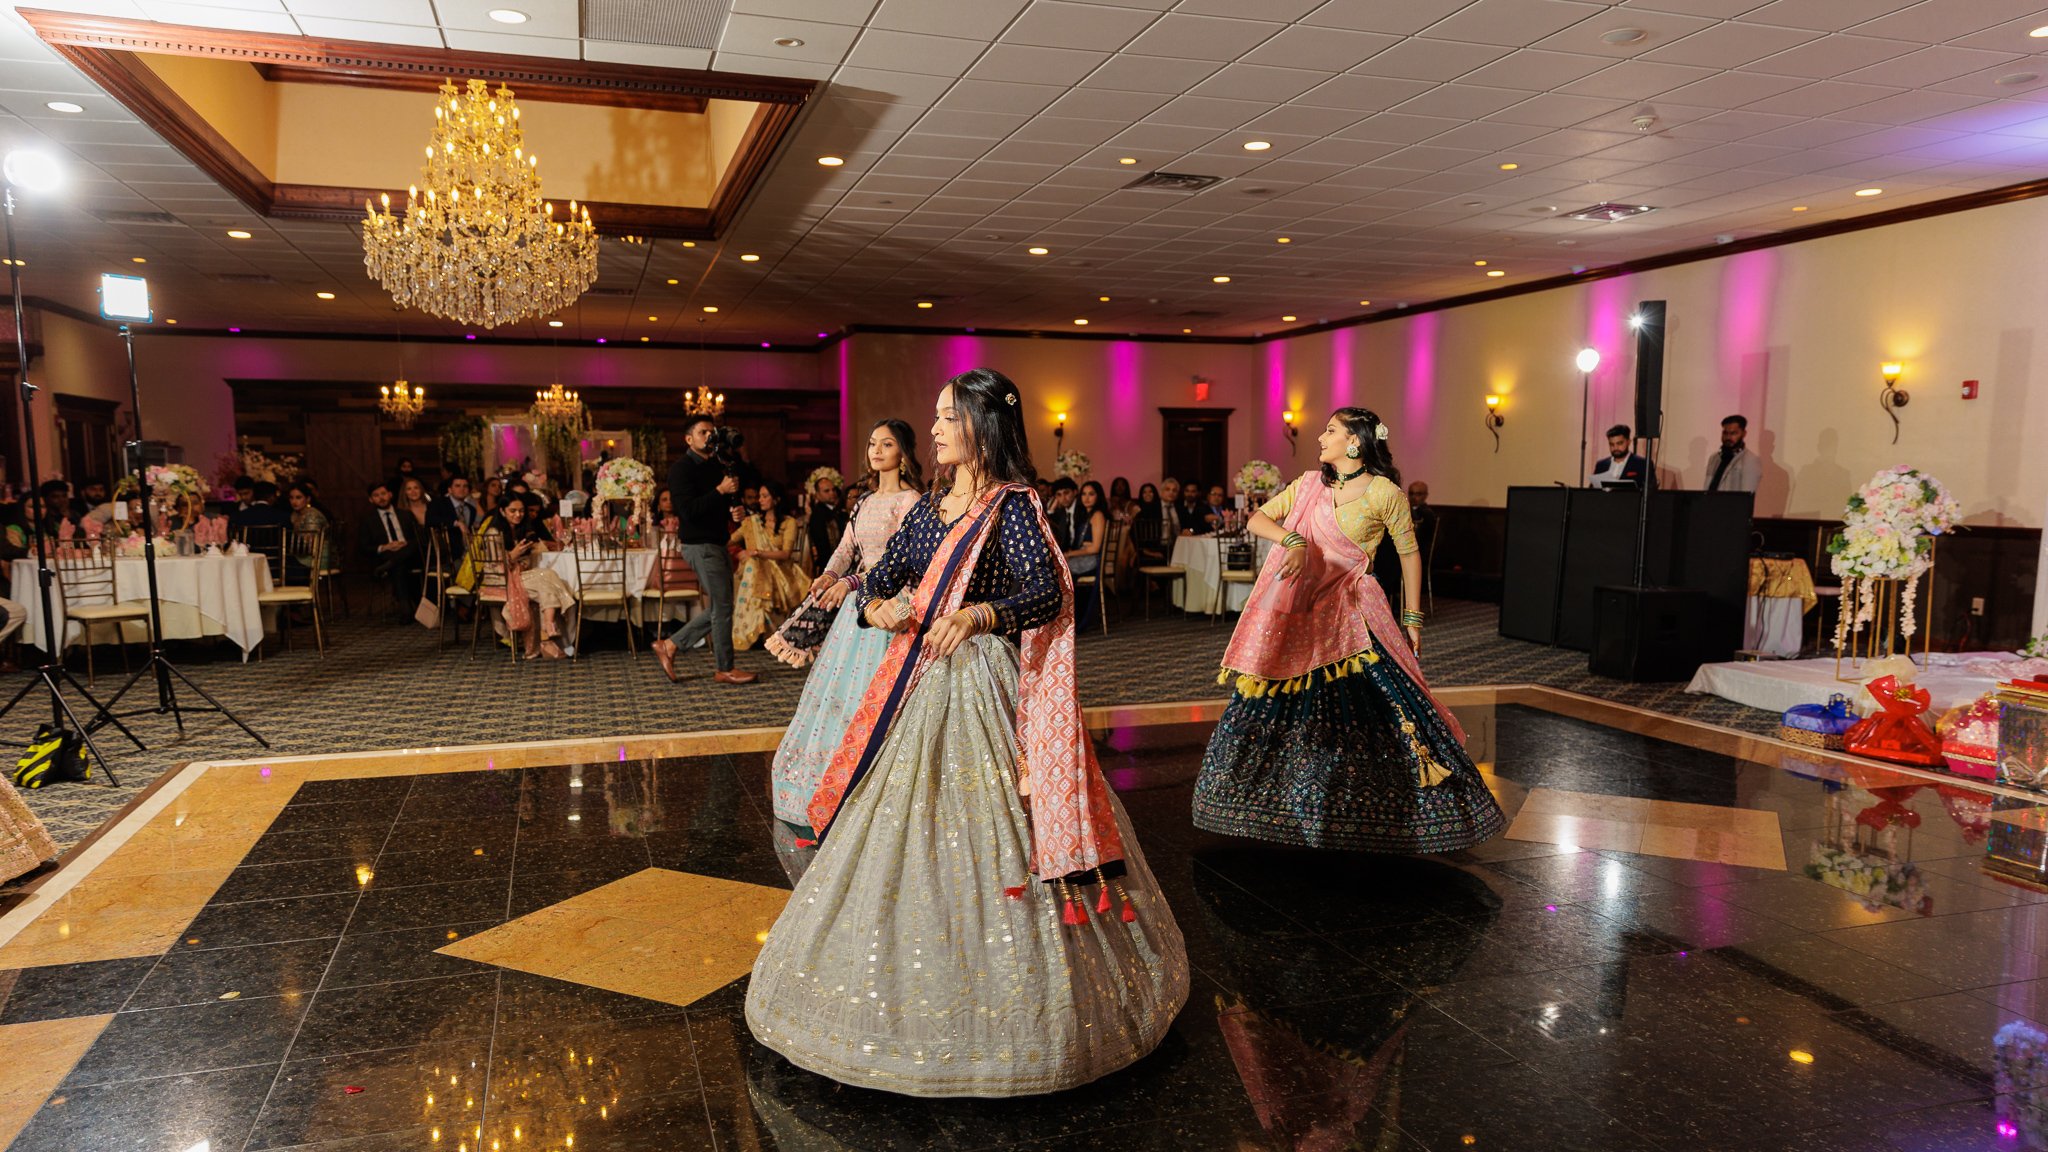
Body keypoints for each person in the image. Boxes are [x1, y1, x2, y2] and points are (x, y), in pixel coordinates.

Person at [745, 367, 1188, 1096]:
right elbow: (883, 574)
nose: (939, 428)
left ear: (985, 425)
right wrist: (877, 609)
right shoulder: (930, 509)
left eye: (951, 416)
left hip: (982, 681)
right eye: (939, 416)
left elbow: (1046, 589)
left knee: (995, 830)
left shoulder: (1008, 506)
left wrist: (980, 615)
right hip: (919, 683)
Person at [1192, 407, 1505, 853]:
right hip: (1303, 612)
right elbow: (1258, 518)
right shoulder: (1307, 485)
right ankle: (1274, 809)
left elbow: (1410, 555)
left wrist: (1412, 619)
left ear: (1355, 442)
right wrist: (1293, 540)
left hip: (1354, 611)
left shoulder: (1385, 493)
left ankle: (1381, 813)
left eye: (1330, 430)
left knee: (1375, 705)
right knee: (1281, 704)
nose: (1321, 437)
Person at [764, 419, 924, 831]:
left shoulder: (910, 502)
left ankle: (874, 779)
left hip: (891, 606)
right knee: (839, 696)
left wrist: (852, 582)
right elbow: (845, 549)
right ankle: (830, 777)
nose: (876, 450)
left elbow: (900, 564)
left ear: (903, 454)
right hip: (857, 612)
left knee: (878, 697)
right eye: (872, 443)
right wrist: (830, 576)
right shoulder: (865, 501)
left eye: (886, 444)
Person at [651, 416, 756, 684]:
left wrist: (735, 511)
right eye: (703, 432)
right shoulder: (681, 469)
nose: (709, 436)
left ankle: (671, 645)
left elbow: (718, 506)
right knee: (721, 606)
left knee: (722, 607)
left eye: (712, 431)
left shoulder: (716, 466)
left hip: (718, 541)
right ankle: (724, 668)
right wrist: (720, 491)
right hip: (699, 544)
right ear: (689, 439)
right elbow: (687, 511)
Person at [493, 494, 574, 659]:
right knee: (547, 577)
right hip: (502, 578)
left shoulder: (522, 529)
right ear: (502, 511)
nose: (518, 515)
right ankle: (549, 630)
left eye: (521, 511)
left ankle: (548, 629)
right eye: (512, 511)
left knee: (547, 578)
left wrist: (522, 560)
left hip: (521, 574)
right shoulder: (494, 532)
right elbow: (493, 566)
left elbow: (527, 560)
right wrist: (512, 556)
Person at [731, 481, 807, 650]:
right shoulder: (752, 522)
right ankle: (754, 631)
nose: (760, 500)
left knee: (754, 564)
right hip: (755, 571)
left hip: (782, 570)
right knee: (753, 566)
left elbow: (786, 554)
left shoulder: (789, 522)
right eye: (759, 496)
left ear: (776, 499)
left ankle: (761, 631)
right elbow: (729, 541)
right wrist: (738, 552)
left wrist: (758, 553)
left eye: (765, 496)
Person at [359, 481, 422, 612]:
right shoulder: (368, 521)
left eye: (383, 493)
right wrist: (385, 547)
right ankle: (406, 606)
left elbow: (419, 538)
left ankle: (405, 608)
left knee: (414, 544)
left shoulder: (406, 515)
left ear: (390, 495)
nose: (381, 497)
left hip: (410, 554)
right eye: (376, 495)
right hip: (387, 555)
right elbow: (363, 547)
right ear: (371, 500)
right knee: (399, 566)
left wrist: (405, 544)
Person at [427, 475, 481, 563]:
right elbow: (431, 520)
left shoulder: (471, 509)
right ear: (450, 490)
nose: (462, 489)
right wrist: (457, 523)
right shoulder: (438, 503)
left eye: (465, 486)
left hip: (468, 553)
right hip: (445, 554)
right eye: (457, 486)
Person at [284, 482, 331, 581]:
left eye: (298, 497)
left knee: (285, 565)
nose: (294, 501)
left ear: (308, 499)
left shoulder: (312, 515)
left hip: (318, 556)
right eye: (291, 498)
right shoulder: (295, 514)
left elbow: (310, 545)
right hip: (303, 554)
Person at [1704, 413, 1761, 493]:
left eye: (1733, 433)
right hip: (1710, 504)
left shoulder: (1750, 460)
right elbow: (1707, 488)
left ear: (1744, 433)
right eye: (1725, 433)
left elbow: (1746, 497)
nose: (1728, 437)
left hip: (1732, 505)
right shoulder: (1714, 458)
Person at [805, 472, 847, 574]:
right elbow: (823, 547)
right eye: (826, 491)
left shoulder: (838, 511)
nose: (832, 493)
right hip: (830, 565)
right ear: (817, 494)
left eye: (833, 490)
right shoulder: (818, 515)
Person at [1590, 424, 1649, 489]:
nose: (1615, 448)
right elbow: (1592, 491)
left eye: (1619, 443)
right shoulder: (1601, 465)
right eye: (1611, 444)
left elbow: (1650, 492)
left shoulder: (1642, 464)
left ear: (1628, 442)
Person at [1130, 482, 1169, 565]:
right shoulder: (1139, 513)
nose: (1147, 494)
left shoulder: (1161, 511)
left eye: (1150, 491)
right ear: (1141, 495)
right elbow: (1134, 535)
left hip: (1162, 548)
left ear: (1155, 493)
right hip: (1143, 551)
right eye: (1144, 492)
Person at [1045, 477, 1080, 548]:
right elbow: (1048, 522)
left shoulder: (1082, 509)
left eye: (1066, 493)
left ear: (1075, 492)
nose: (1063, 498)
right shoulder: (1062, 512)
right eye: (1059, 495)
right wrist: (1052, 508)